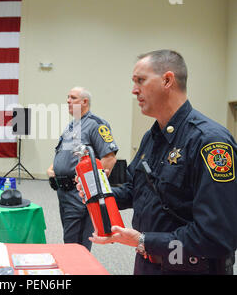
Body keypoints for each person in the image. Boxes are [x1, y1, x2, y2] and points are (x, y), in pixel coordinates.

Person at [85, 50, 237, 274]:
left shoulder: (209, 142)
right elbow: (133, 190)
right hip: (149, 263)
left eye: (140, 80)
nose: (134, 90)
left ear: (167, 80)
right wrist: (96, 194)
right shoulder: (152, 136)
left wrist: (145, 241)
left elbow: (217, 235)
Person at [47, 87, 118, 251]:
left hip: (78, 195)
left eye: (73, 97)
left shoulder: (96, 125)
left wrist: (91, 192)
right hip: (63, 192)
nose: (68, 101)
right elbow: (64, 154)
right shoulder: (71, 126)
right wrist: (52, 169)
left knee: (77, 245)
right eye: (67, 97)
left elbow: (109, 158)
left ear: (85, 102)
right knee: (69, 238)